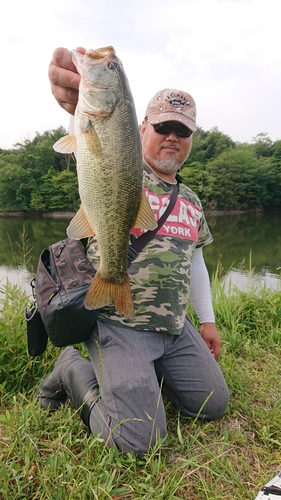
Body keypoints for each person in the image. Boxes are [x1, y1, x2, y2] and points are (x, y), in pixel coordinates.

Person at [38, 47, 229, 457]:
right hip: (119, 325)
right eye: (163, 126)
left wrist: (207, 320)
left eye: (182, 130)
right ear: (141, 128)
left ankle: (146, 370)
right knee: (140, 439)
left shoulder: (192, 200)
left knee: (214, 404)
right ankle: (73, 367)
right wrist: (73, 99)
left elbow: (196, 261)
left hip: (175, 328)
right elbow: (94, 135)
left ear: (191, 138)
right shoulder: (124, 163)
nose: (172, 137)